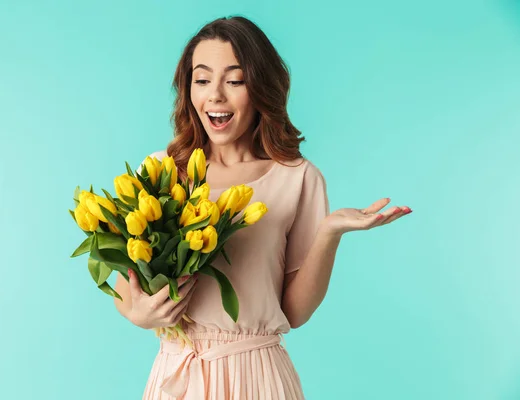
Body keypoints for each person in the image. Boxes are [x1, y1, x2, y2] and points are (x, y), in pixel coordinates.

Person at [114, 16, 412, 399]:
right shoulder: (160, 172)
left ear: (261, 88)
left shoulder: (298, 177)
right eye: (201, 79)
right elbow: (127, 289)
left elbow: (295, 312)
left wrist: (329, 233)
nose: (215, 95)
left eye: (234, 81)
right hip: (178, 375)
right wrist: (140, 314)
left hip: (258, 376)